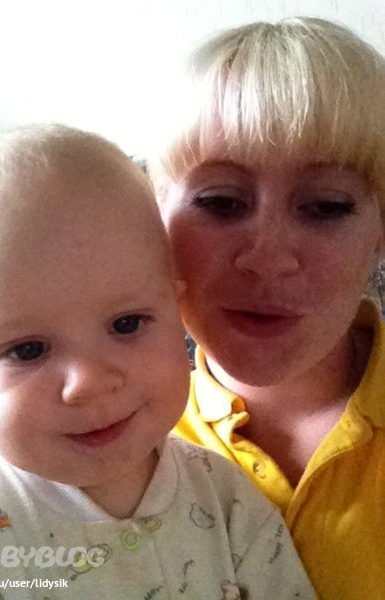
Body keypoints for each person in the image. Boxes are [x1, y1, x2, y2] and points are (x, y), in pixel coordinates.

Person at [0, 125, 315, 599]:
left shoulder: (226, 497)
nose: (89, 383)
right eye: (27, 350)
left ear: (177, 312)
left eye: (127, 324)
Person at [150, 16, 385, 600]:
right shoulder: (107, 441)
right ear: (155, 219)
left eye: (326, 207)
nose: (268, 259)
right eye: (221, 202)